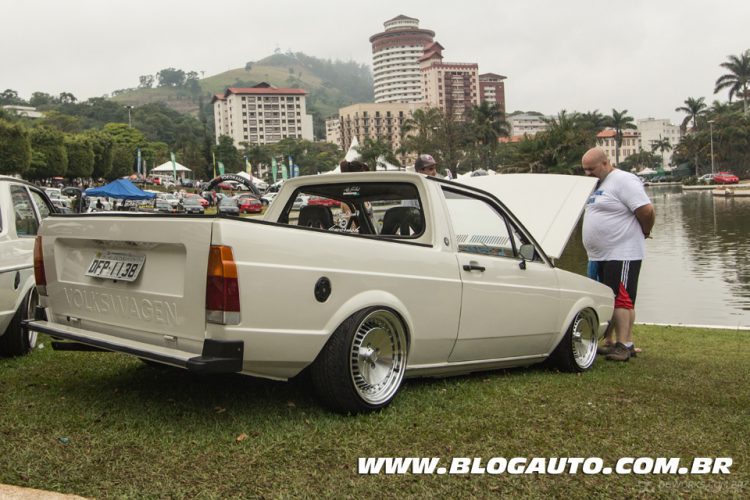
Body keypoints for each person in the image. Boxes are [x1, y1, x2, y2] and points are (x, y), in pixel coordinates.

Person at [581, 147, 655, 362]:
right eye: (584, 170)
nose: (587, 173)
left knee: (621, 299)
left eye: (591, 169)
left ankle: (625, 345)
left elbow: (646, 210)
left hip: (621, 252)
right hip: (597, 255)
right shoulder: (596, 184)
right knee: (603, 299)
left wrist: (645, 231)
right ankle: (610, 341)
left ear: (605, 163)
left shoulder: (624, 180)